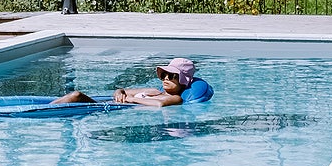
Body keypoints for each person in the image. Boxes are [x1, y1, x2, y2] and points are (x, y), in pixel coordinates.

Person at [52, 57, 213, 107]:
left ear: (183, 81)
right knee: (75, 96)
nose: (165, 78)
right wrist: (120, 93)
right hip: (110, 103)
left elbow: (159, 105)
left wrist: (131, 99)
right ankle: (48, 106)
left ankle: (40, 110)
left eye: (171, 76)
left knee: (76, 95)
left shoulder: (176, 98)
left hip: (109, 110)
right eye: (164, 74)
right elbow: (122, 90)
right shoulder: (153, 91)